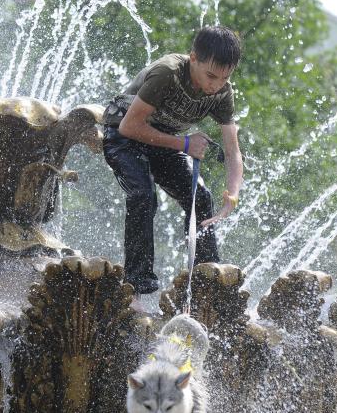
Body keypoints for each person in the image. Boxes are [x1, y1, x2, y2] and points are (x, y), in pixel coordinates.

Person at [103, 25, 243, 311]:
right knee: (144, 195)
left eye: (225, 77)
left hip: (166, 144)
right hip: (123, 136)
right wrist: (183, 143)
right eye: (211, 75)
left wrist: (233, 194)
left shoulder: (222, 93)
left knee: (201, 199)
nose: (216, 84)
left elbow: (232, 150)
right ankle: (134, 290)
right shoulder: (168, 73)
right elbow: (130, 126)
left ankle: (207, 284)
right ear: (194, 59)